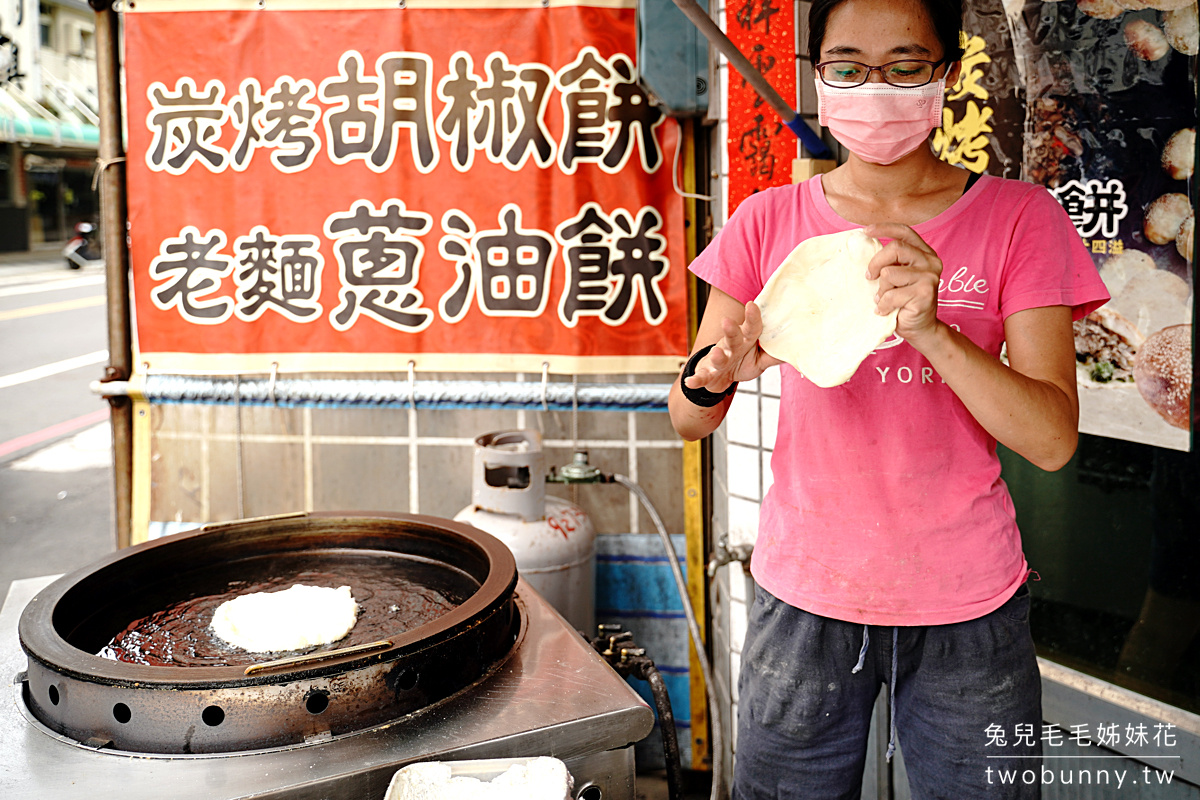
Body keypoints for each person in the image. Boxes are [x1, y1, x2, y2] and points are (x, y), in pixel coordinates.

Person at [667, 0, 1110, 797]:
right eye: (848, 67)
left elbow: (1051, 440)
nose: (876, 89)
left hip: (970, 605)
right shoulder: (767, 220)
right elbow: (687, 418)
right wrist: (714, 374)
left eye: (906, 67)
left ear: (947, 73)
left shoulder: (1021, 219)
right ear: (820, 78)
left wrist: (935, 332)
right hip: (802, 597)